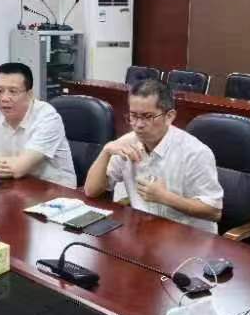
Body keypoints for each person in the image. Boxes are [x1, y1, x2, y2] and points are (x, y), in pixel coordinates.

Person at [83, 79, 223, 234]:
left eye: (147, 116)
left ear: (169, 116)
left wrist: (165, 197)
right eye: (133, 116)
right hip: (144, 231)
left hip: (189, 237)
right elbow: (91, 191)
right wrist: (106, 151)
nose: (138, 125)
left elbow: (214, 212)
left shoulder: (195, 153)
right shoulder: (127, 144)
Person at [0, 62, 76, 188]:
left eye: (13, 91)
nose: (4, 98)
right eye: (0, 91)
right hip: (13, 186)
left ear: (30, 94)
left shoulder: (48, 118)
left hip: (55, 192)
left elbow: (17, 169)